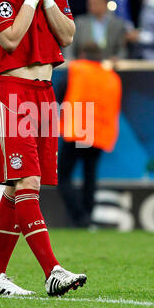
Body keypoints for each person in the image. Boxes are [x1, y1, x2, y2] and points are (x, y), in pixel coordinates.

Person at [0, 0, 87, 296]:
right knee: (28, 183)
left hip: (45, 93)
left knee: (18, 186)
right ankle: (52, 270)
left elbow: (68, 36)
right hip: (12, 91)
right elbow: (9, 39)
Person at [57, 43, 122, 228]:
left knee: (63, 176)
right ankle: (87, 216)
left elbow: (61, 94)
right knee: (90, 175)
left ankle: (80, 218)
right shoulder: (112, 77)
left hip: (78, 130)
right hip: (99, 132)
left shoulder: (77, 69)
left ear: (83, 53)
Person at [64, 0, 128, 60]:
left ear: (105, 2)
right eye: (90, 2)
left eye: (96, 1)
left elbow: (122, 50)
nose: (92, 4)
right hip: (83, 66)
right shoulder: (80, 23)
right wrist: (70, 62)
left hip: (108, 68)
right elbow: (69, 47)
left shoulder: (117, 24)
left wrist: (117, 59)